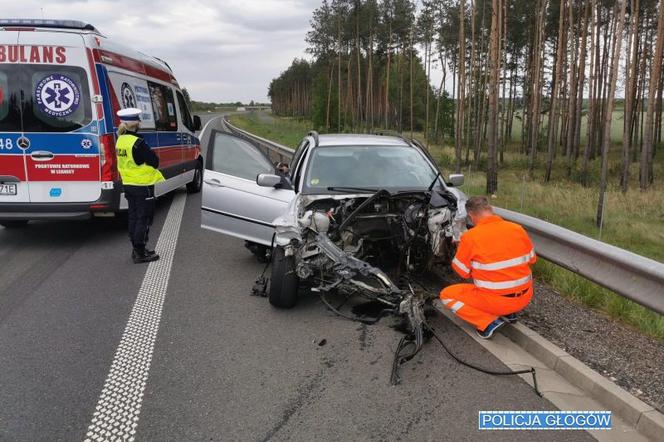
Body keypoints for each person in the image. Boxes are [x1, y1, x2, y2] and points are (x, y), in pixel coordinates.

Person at [440, 196, 536, 339]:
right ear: (490, 210)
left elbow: (463, 273)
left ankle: (487, 323)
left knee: (447, 295)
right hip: (525, 298)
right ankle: (510, 315)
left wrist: (461, 247)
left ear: (471, 215)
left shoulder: (470, 237)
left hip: (496, 302)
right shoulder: (517, 229)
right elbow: (532, 259)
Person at [115, 108, 165, 264]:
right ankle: (140, 252)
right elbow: (154, 162)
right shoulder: (138, 142)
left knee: (134, 217)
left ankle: (137, 248)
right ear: (136, 123)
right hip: (143, 185)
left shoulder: (120, 140)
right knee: (144, 218)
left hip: (129, 184)